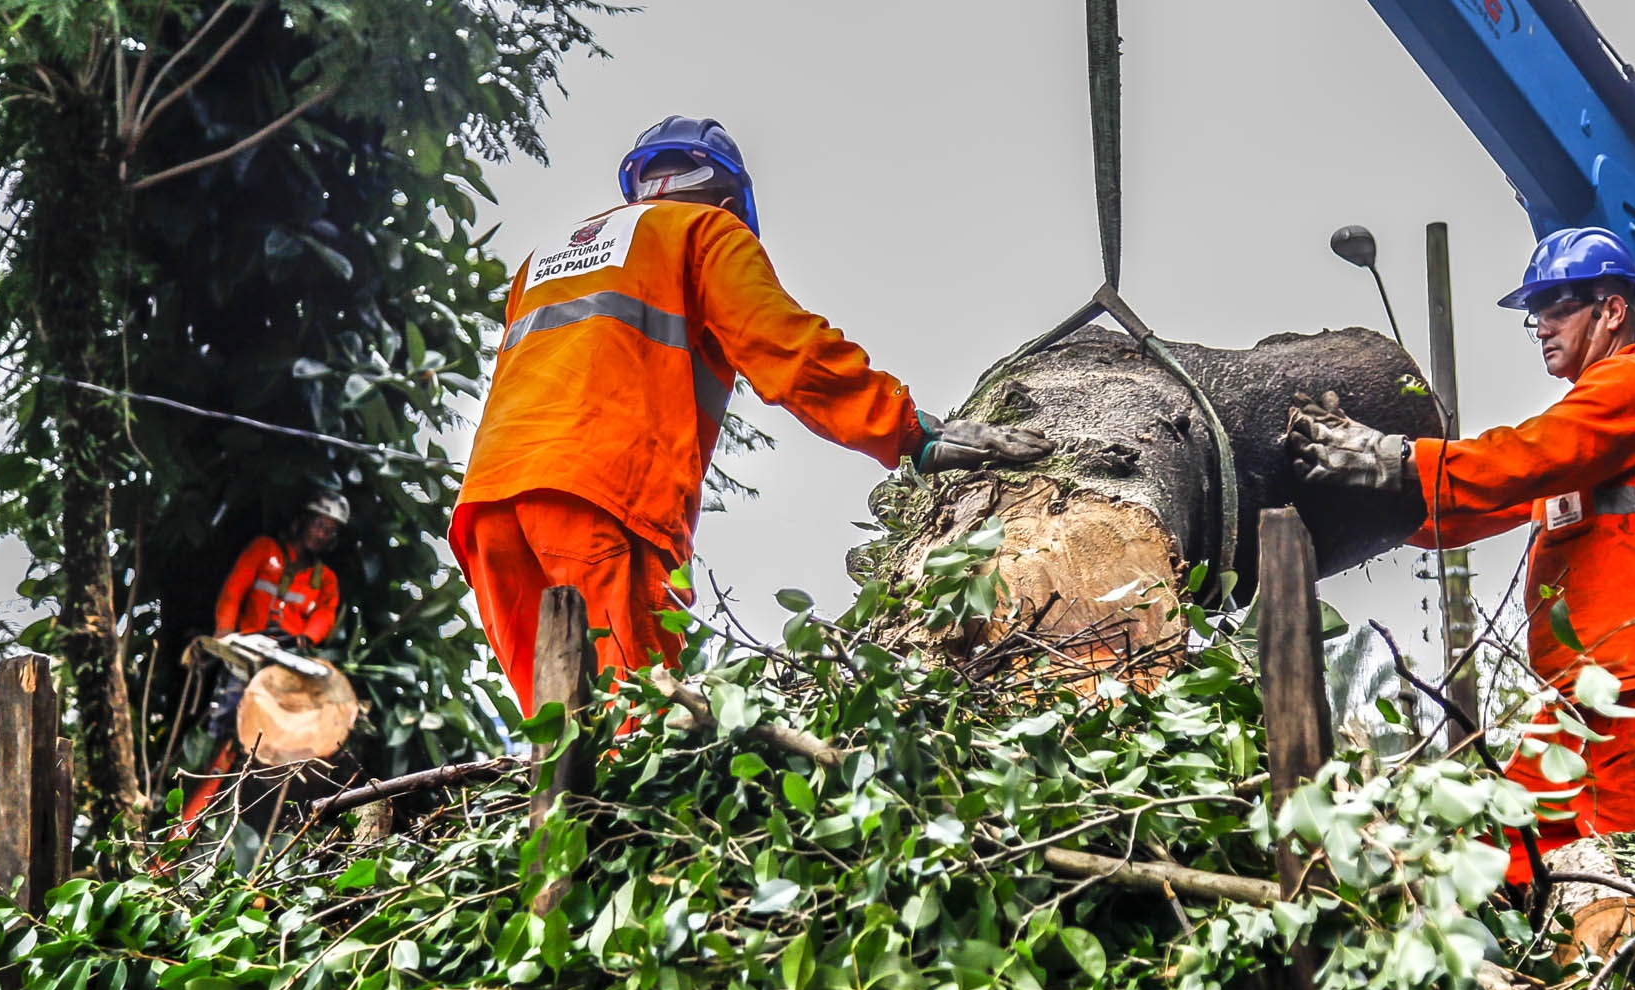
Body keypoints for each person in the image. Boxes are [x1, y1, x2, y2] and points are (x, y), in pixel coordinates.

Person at [450, 115, 1050, 711]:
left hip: (489, 510)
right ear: (730, 196)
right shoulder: (703, 230)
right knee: (631, 728)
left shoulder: (544, 259)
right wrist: (909, 432)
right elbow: (784, 346)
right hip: (601, 497)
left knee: (559, 729)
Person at [1287, 227, 1635, 879]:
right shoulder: (1596, 428)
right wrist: (1368, 501)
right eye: (1538, 314)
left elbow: (1519, 458)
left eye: (1557, 306)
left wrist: (1395, 458)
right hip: (1584, 694)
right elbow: (1472, 510)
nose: (1542, 325)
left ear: (1612, 310)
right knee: (1521, 866)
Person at [213, 491, 348, 648]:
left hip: (287, 654)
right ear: (305, 520)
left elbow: (325, 614)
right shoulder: (264, 549)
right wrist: (224, 631)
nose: (321, 534)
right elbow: (233, 591)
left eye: (329, 531)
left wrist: (304, 639)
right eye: (318, 524)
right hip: (246, 644)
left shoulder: (326, 579)